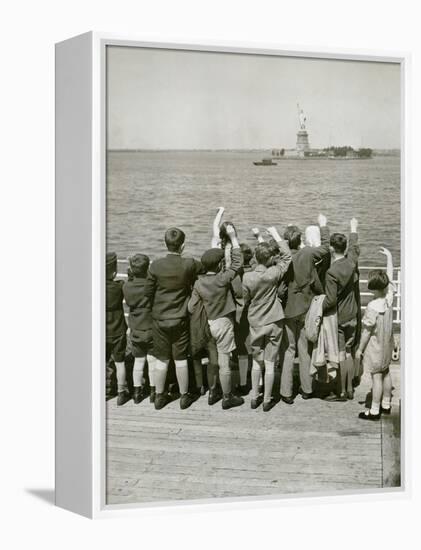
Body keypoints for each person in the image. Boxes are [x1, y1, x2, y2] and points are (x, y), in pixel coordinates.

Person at [143, 227, 202, 410]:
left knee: (162, 359)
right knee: (181, 358)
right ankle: (184, 396)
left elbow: (147, 292)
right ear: (183, 246)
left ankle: (160, 396)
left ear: (165, 243)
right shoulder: (189, 264)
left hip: (160, 319)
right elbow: (205, 265)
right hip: (180, 318)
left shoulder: (155, 266)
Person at [188, 224, 244, 410]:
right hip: (223, 323)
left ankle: (213, 392)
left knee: (212, 361)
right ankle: (228, 397)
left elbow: (191, 307)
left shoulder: (198, 282)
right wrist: (234, 238)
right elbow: (237, 263)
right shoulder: (223, 278)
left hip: (207, 324)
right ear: (220, 264)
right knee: (224, 361)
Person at [280, 214, 330, 403]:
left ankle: (286, 392)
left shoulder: (282, 258)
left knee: (288, 351)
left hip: (287, 310)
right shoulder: (308, 253)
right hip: (305, 308)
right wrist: (323, 226)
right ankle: (307, 388)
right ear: (300, 240)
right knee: (305, 350)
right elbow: (325, 249)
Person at [243, 226, 291, 411]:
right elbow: (287, 257)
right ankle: (267, 400)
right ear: (270, 259)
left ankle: (254, 396)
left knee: (257, 362)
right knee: (270, 363)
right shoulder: (274, 273)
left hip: (256, 322)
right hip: (275, 320)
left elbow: (245, 299)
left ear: (256, 258)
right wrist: (276, 235)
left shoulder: (248, 277)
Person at [323, 218, 360, 401]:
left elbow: (330, 300)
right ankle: (351, 388)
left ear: (331, 248)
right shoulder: (351, 263)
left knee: (340, 354)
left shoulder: (331, 272)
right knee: (349, 351)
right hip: (353, 314)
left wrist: (317, 307)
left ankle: (342, 391)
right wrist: (353, 228)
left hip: (339, 317)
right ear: (344, 248)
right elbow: (354, 248)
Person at [356, 247, 395, 420]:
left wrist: (360, 349)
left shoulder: (372, 307)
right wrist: (389, 258)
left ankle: (374, 410)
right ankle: (386, 403)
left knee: (376, 377)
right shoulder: (388, 299)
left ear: (372, 288)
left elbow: (366, 332)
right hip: (387, 343)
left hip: (375, 347)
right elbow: (391, 278)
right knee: (386, 372)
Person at [123, 254, 157, 404]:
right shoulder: (151, 286)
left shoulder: (127, 286)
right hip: (150, 327)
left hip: (136, 327)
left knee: (138, 360)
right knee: (152, 360)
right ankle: (154, 391)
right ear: (147, 268)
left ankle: (137, 392)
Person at [106, 252, 129, 406]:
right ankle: (121, 392)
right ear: (114, 272)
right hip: (118, 330)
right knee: (120, 362)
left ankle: (104, 392)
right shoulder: (119, 287)